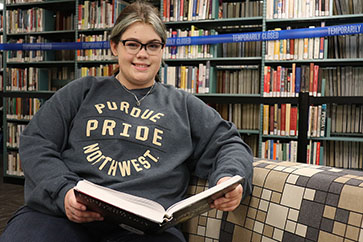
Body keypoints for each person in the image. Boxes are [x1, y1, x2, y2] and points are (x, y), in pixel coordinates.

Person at [0, 1, 253, 242]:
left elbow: (228, 143)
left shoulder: (183, 105)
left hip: (145, 230)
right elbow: (37, 141)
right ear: (114, 47)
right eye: (132, 44)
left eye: (152, 45)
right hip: (64, 216)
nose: (142, 54)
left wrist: (229, 178)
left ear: (162, 50)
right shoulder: (81, 92)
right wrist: (63, 192)